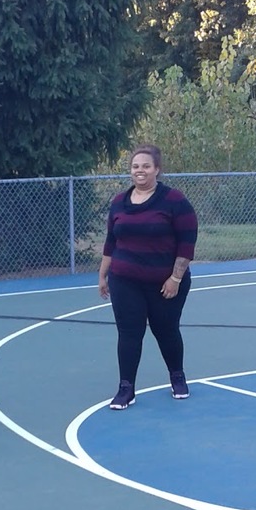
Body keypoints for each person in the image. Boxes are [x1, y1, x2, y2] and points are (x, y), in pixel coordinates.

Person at [99, 145, 198, 409]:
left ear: (156, 170)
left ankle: (177, 376)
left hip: (164, 282)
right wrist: (103, 275)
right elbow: (111, 241)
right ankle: (126, 389)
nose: (139, 171)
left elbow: (187, 243)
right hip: (124, 280)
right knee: (129, 333)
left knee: (165, 330)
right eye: (135, 166)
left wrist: (175, 278)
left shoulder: (174, 201)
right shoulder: (119, 202)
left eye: (145, 166)